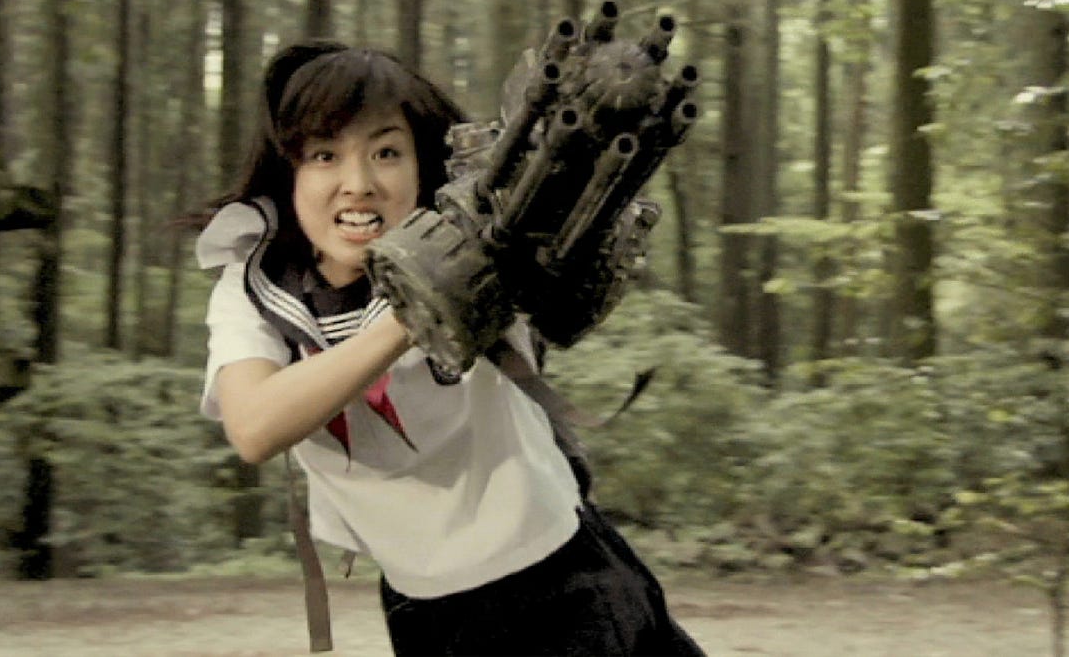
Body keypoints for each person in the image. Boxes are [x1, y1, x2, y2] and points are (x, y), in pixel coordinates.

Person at [194, 41, 705, 656]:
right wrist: (418, 308)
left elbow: (554, 272)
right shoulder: (256, 286)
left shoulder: (485, 239)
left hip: (561, 584)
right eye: (324, 155)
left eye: (387, 153)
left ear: (421, 168)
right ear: (290, 172)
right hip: (422, 606)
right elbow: (254, 427)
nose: (358, 185)